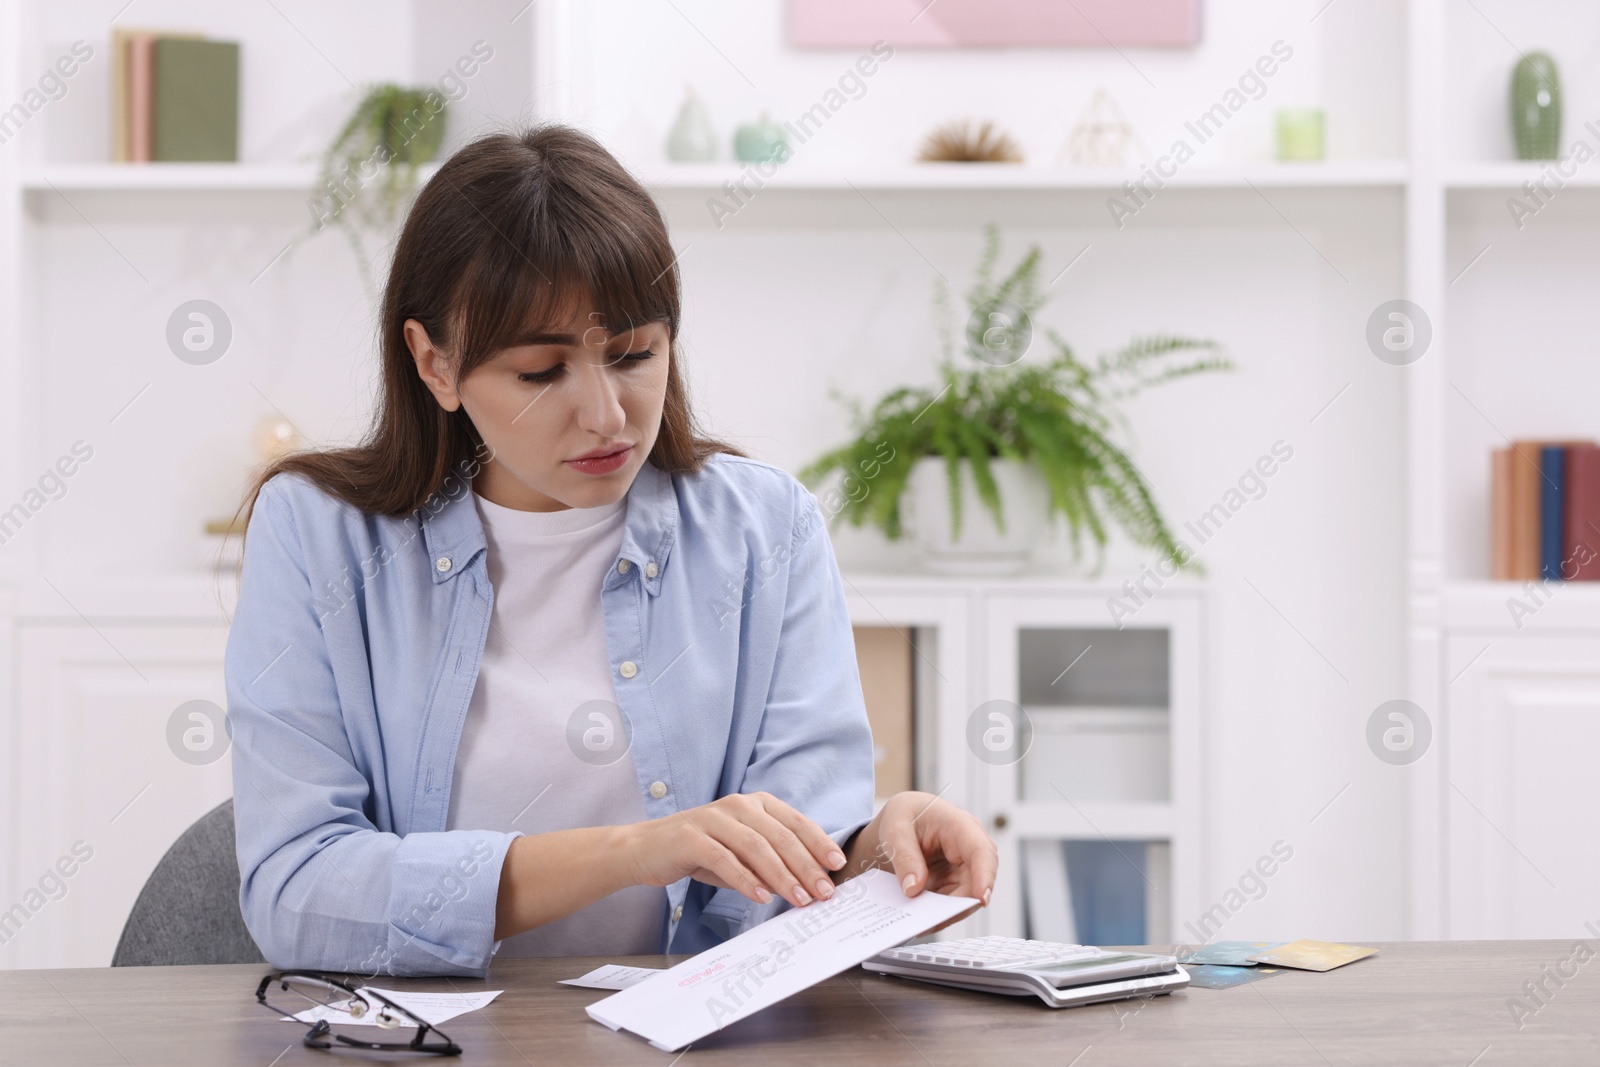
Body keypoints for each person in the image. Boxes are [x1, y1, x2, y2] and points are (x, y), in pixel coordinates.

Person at [224, 124, 997, 979]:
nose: (607, 414)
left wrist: (878, 856)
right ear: (434, 364)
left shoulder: (766, 528)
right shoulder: (317, 533)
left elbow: (792, 882)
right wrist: (634, 850)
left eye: (634, 354)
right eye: (540, 372)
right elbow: (296, 893)